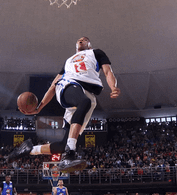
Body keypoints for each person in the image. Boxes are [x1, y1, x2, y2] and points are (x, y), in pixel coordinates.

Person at [8, 36, 120, 172]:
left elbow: (108, 71)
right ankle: (70, 153)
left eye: (85, 39)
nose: (81, 39)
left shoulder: (96, 53)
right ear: (75, 47)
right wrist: (39, 108)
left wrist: (113, 87)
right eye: (79, 39)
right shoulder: (69, 61)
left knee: (62, 145)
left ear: (89, 45)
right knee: (84, 102)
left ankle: (29, 150)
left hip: (85, 93)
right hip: (68, 86)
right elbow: (53, 85)